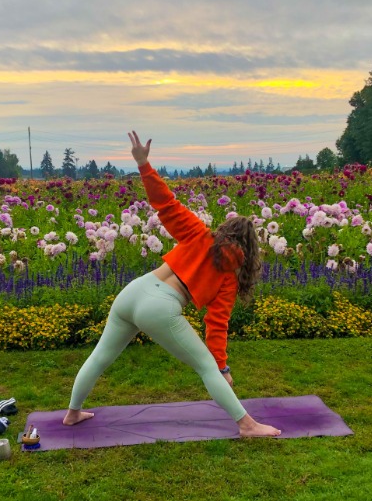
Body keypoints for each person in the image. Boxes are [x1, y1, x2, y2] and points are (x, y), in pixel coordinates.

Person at [62, 131, 281, 438]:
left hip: (134, 291)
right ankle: (248, 425)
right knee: (206, 367)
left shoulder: (199, 233)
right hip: (161, 306)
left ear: (224, 230)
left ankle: (72, 413)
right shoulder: (230, 276)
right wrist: (222, 368)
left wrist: (143, 165)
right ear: (250, 247)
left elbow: (166, 203)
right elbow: (216, 325)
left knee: (101, 355)